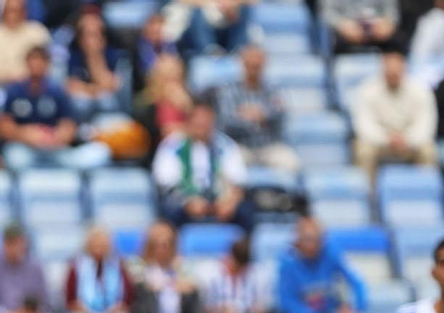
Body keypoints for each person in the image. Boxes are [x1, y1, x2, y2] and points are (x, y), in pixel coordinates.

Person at [0, 46, 110, 172]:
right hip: (25, 148)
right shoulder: (15, 91)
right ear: (26, 62)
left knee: (100, 153)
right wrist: (24, 134)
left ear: (47, 64)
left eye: (41, 60)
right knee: (14, 159)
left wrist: (57, 136)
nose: (36, 64)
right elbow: (4, 126)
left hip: (54, 148)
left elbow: (69, 125)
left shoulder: (57, 91)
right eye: (33, 60)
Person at [152, 101, 250, 228]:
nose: (202, 126)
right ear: (188, 122)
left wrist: (230, 202)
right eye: (198, 122)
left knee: (247, 211)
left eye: (206, 122)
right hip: (184, 199)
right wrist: (188, 201)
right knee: (169, 211)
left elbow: (239, 180)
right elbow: (165, 181)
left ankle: (242, 247)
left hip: (219, 199)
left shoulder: (225, 145)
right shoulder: (173, 144)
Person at [352, 45, 437, 181]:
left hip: (410, 143)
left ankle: (424, 195)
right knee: (363, 151)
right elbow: (364, 125)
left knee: (428, 151)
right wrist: (387, 139)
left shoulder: (421, 91)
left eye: (396, 73)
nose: (392, 76)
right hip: (379, 143)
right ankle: (369, 197)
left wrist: (407, 139)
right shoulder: (367, 90)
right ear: (383, 70)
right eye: (389, 73)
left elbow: (426, 125)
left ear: (404, 69)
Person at [211, 44, 300, 173]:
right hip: (241, 146)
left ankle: (279, 193)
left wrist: (260, 114)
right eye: (250, 63)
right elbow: (227, 121)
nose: (254, 67)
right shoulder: (229, 90)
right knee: (226, 166)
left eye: (257, 64)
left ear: (264, 64)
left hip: (269, 145)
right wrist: (257, 119)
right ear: (242, 62)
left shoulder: (273, 89)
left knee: (291, 163)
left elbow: (281, 114)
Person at [278, 215, 367, 313]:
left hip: (330, 312)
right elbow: (287, 301)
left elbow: (357, 282)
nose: (311, 245)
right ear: (297, 240)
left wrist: (354, 311)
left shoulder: (332, 252)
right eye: (306, 239)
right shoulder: (287, 262)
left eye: (315, 240)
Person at [202, 236, 284, 313]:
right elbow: (204, 308)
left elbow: (264, 306)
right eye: (235, 265)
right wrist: (219, 311)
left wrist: (256, 312)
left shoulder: (259, 274)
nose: (238, 269)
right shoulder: (210, 273)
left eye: (242, 267)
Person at [63, 224, 136, 313]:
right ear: (87, 245)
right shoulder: (76, 268)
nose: (99, 247)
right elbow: (71, 303)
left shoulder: (119, 267)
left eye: (102, 243)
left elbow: (126, 302)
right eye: (95, 243)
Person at [0, 0, 50, 86]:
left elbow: (44, 63)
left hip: (31, 86)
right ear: (1, 12)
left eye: (17, 10)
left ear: (25, 12)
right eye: (9, 10)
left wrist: (23, 77)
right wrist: (9, 77)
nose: (12, 15)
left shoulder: (37, 32)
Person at [63, 5, 123, 116]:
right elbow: (69, 86)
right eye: (87, 34)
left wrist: (94, 56)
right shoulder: (72, 53)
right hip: (83, 100)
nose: (91, 40)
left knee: (106, 102)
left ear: (103, 38)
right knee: (80, 104)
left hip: (102, 102)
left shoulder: (112, 54)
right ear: (79, 38)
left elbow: (109, 85)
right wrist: (93, 90)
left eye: (96, 35)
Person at [322, 0, 399, 54]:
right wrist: (341, 24)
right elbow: (326, 13)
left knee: (396, 45)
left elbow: (392, 13)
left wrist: (387, 23)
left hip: (379, 37)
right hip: (345, 38)